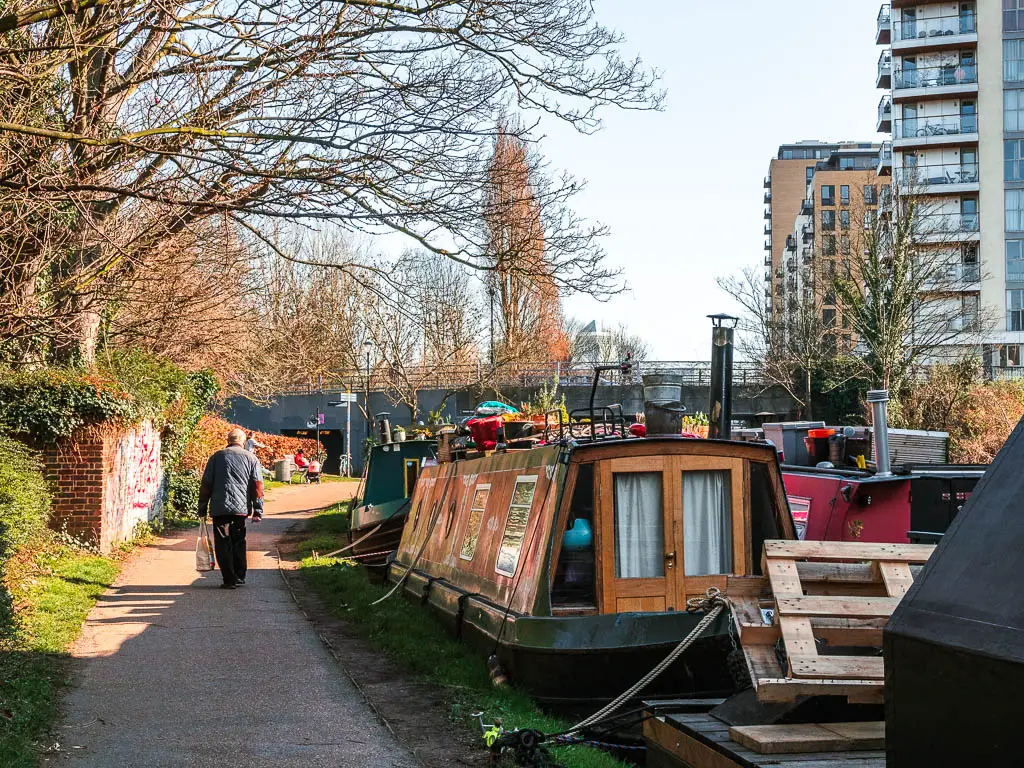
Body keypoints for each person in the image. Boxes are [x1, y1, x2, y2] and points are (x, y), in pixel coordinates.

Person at [197, 428, 264, 589]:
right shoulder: (251, 458)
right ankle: (240, 575)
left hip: (220, 508)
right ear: (242, 441)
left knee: (222, 542)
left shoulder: (216, 457)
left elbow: (206, 484)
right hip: (241, 509)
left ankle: (229, 579)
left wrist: (202, 507)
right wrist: (257, 510)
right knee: (239, 540)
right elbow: (257, 486)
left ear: (228, 440)